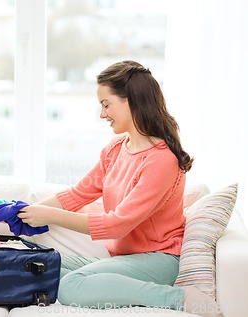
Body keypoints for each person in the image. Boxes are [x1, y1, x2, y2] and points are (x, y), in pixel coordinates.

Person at [17, 61, 222, 317]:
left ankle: (179, 298)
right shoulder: (115, 148)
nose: (102, 114)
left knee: (71, 286)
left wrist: (47, 216)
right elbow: (78, 194)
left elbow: (117, 225)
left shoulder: (161, 160)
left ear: (132, 101)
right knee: (37, 265)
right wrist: (22, 211)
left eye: (106, 104)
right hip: (123, 259)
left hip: (160, 260)